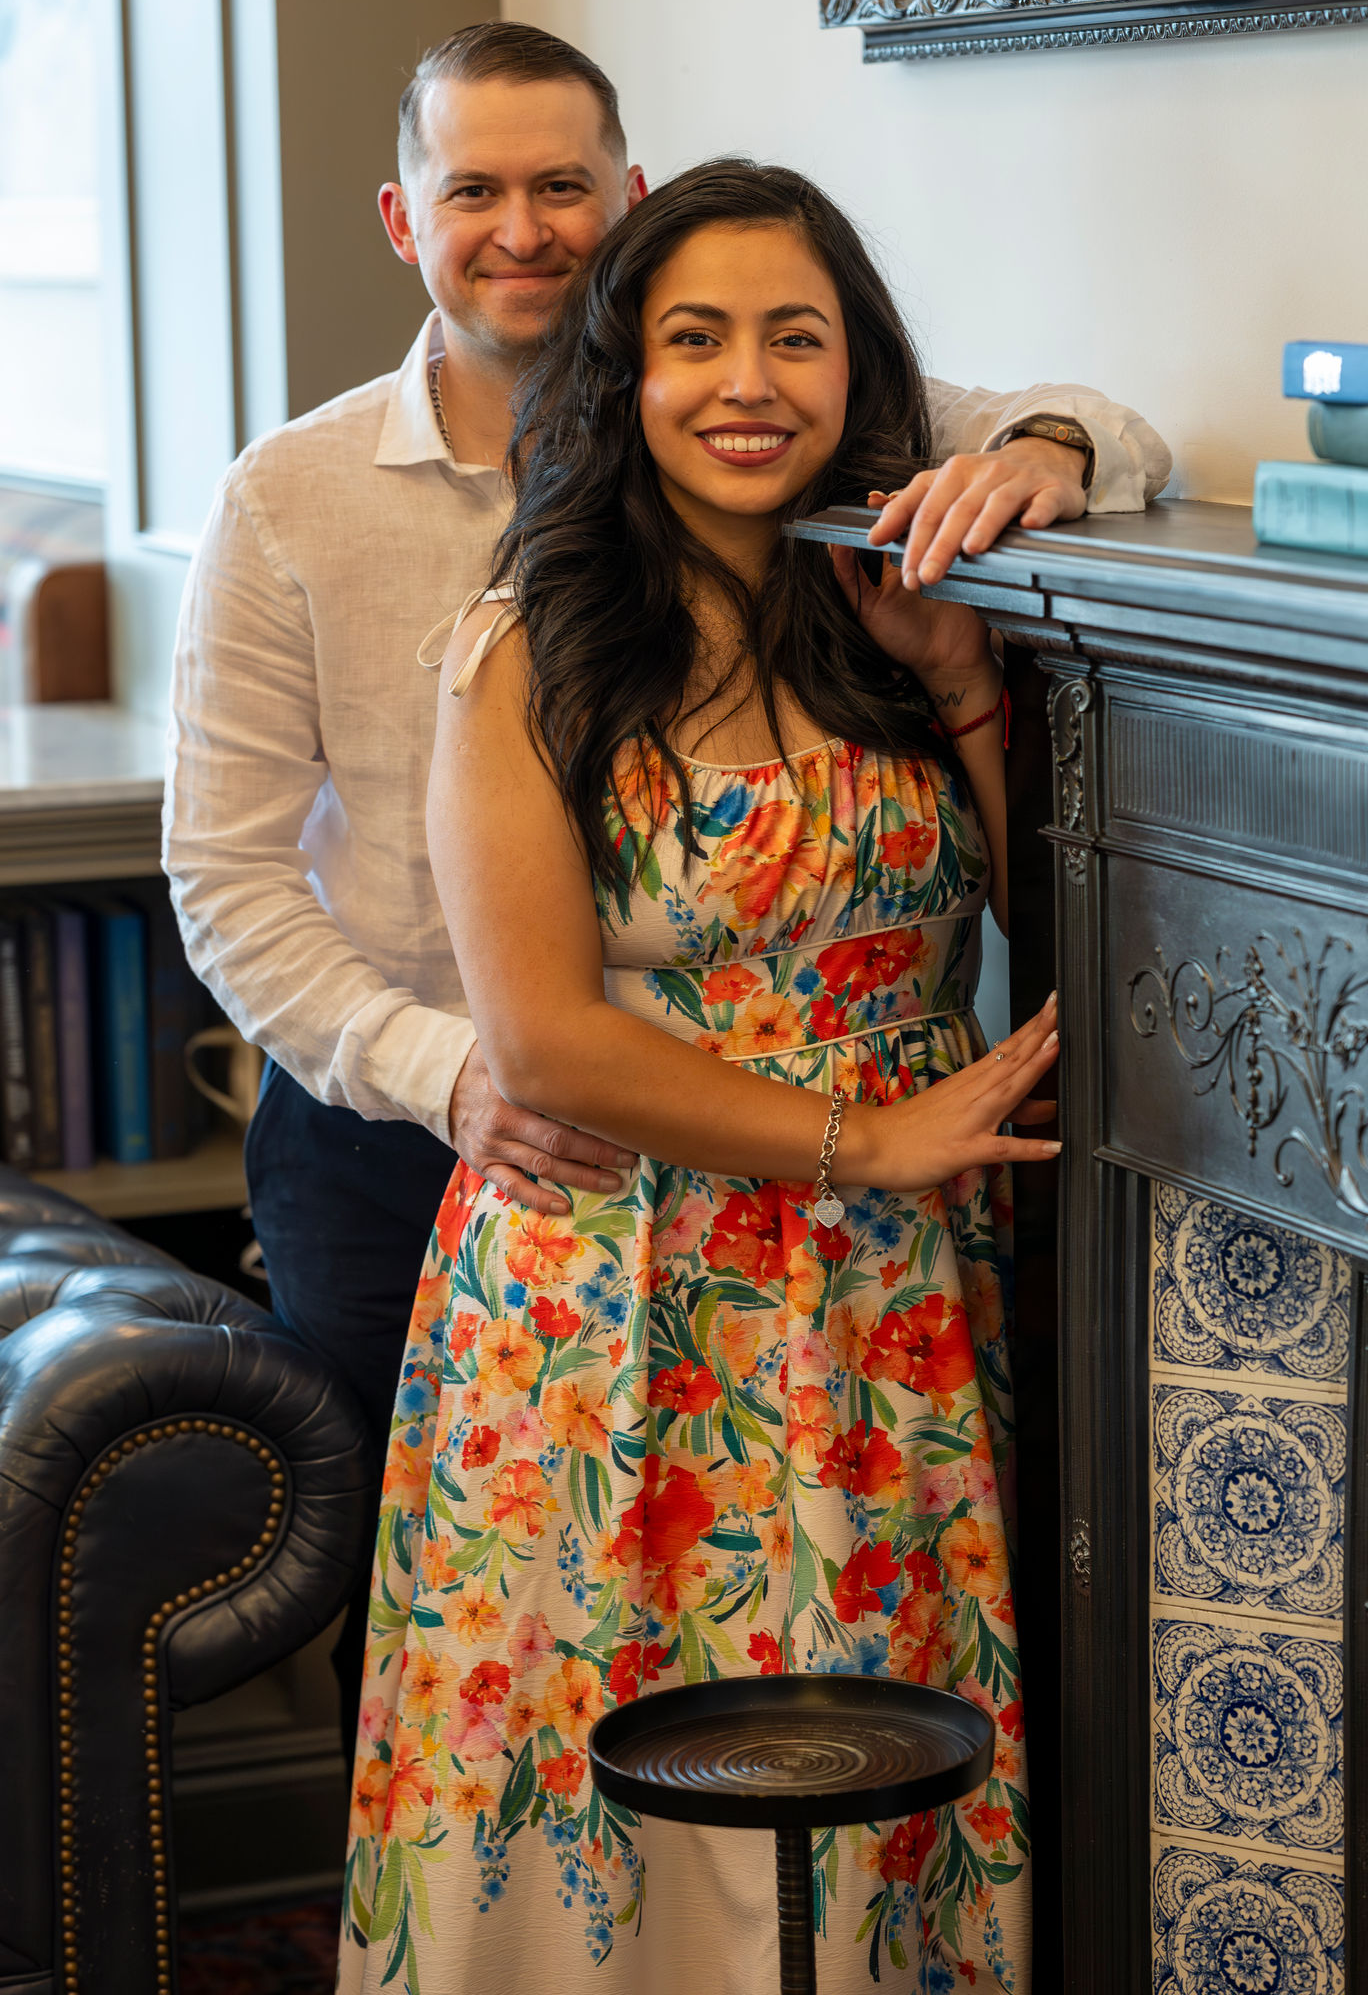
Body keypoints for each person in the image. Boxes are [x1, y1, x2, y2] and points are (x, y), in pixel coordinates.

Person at [163, 21, 1170, 1754]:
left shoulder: (794, 457)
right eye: (475, 188)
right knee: (499, 1637)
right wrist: (459, 1074)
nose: (525, 226)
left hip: (854, 1234)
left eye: (565, 186)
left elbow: (1085, 428)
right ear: (405, 219)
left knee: (853, 1688)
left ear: (620, 207)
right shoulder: (298, 498)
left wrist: (1058, 459)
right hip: (434, 1122)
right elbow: (230, 874)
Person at [340, 158, 1067, 1995]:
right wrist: (868, 1137)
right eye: (694, 340)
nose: (748, 382)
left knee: (875, 1755)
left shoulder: (890, 608)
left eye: (795, 339)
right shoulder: (527, 646)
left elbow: (1047, 928)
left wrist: (967, 678)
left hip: (891, 1303)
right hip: (617, 1296)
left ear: (856, 371)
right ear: (623, 370)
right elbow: (544, 1037)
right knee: (618, 1752)